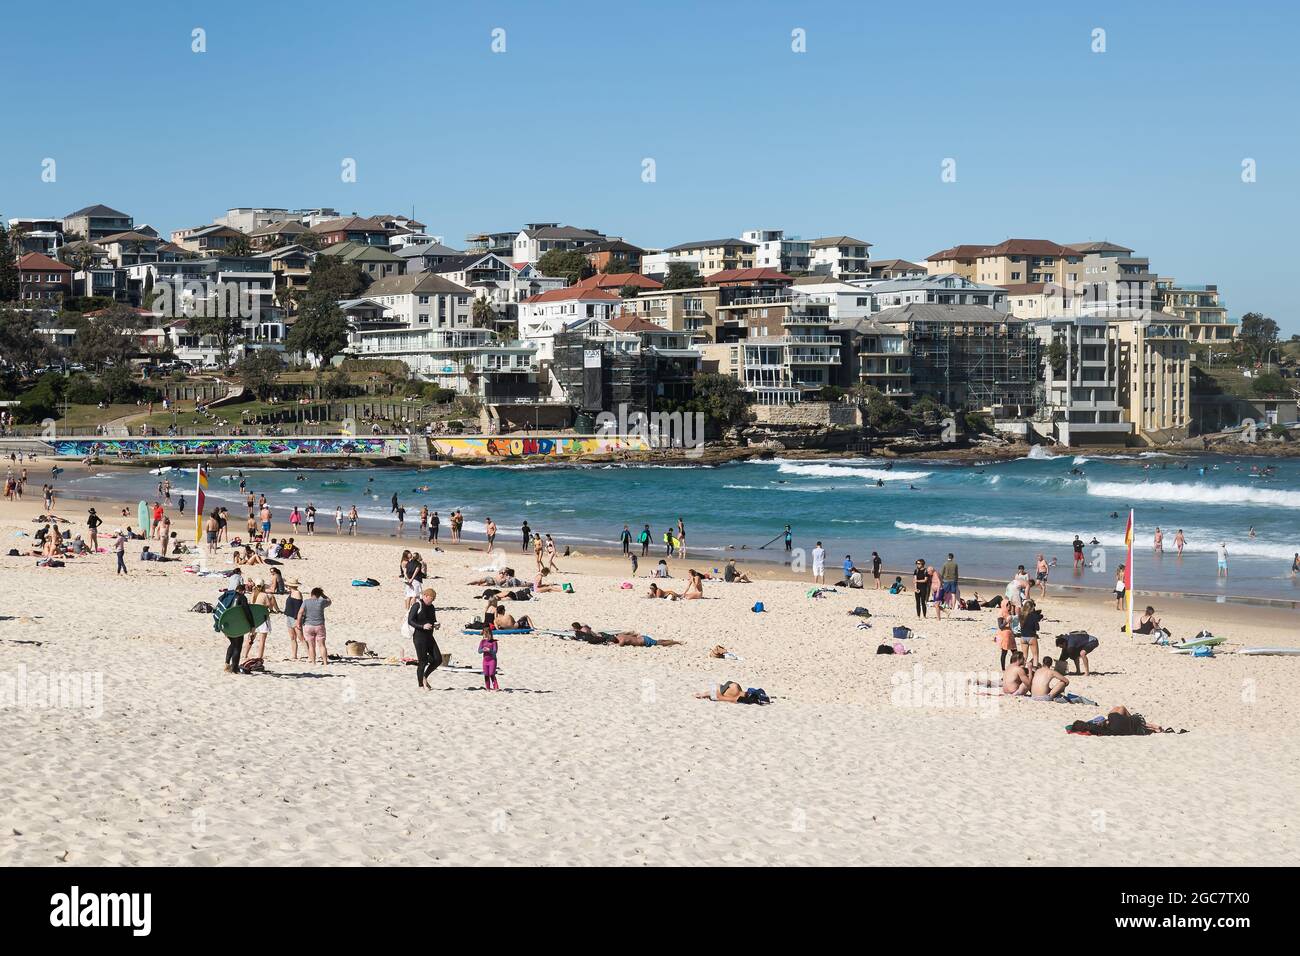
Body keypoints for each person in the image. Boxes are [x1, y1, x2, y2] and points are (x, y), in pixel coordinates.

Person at [408, 588, 441, 690]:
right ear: (425, 596)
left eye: (433, 599)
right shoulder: (417, 605)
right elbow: (410, 621)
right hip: (419, 637)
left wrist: (436, 625)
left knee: (438, 659)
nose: (432, 601)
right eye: (431, 599)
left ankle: (425, 677)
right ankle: (420, 685)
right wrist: (422, 626)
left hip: (429, 637)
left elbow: (432, 620)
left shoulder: (432, 607)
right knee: (422, 662)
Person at [242, 582, 279, 664]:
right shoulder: (264, 595)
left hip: (254, 618)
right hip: (262, 618)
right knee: (262, 640)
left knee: (251, 637)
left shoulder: (252, 594)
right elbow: (269, 606)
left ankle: (245, 654)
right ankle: (259, 657)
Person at [297, 587, 332, 665]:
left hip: (308, 625)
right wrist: (323, 595)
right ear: (319, 595)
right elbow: (329, 601)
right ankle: (325, 662)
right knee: (322, 645)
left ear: (311, 594)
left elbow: (300, 613)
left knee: (311, 646)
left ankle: (313, 662)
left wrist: (298, 623)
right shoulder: (321, 602)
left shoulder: (306, 602)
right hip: (320, 625)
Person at [283, 579, 306, 660]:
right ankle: (294, 655)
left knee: (301, 637)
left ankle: (310, 654)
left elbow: (298, 608)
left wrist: (298, 620)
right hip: (289, 616)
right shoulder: (291, 592)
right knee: (292, 637)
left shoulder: (297, 593)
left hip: (295, 618)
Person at [1017, 599, 1043, 663]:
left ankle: (1022, 668)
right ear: (1032, 608)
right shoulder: (1033, 616)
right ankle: (1034, 670)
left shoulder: (1021, 616)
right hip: (1031, 637)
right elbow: (1037, 628)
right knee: (1035, 656)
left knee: (1024, 656)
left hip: (1023, 637)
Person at [478, 626, 500, 691]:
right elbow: (479, 651)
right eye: (485, 635)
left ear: (491, 635)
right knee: (486, 674)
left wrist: (489, 650)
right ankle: (487, 687)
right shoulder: (482, 641)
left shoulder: (494, 642)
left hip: (492, 660)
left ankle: (496, 687)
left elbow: (495, 652)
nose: (487, 637)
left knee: (491, 673)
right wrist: (483, 650)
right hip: (485, 661)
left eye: (488, 635)